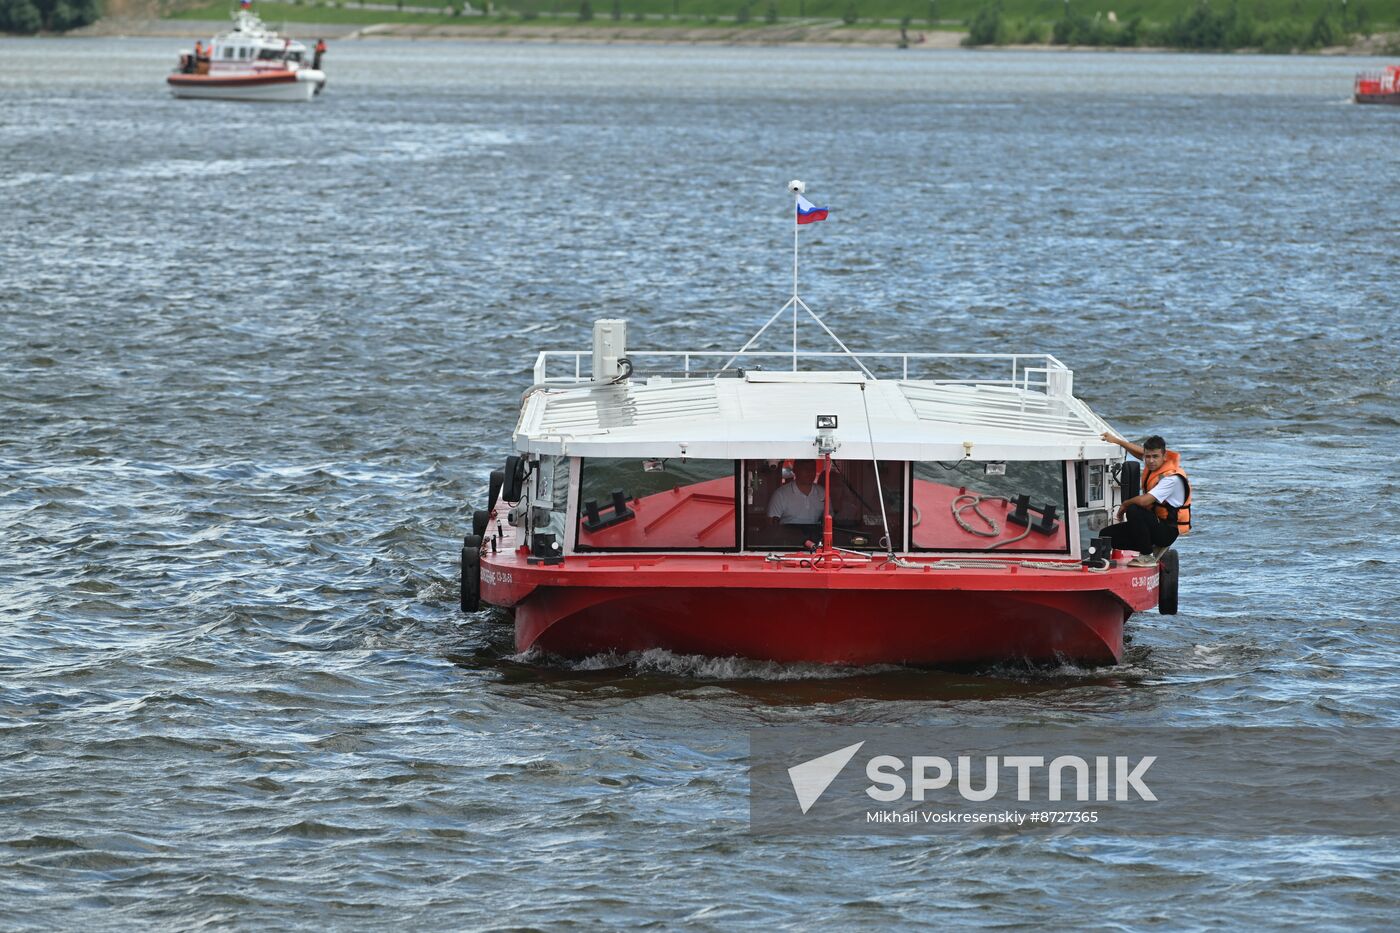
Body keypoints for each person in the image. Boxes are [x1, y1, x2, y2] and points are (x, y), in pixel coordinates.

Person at [1100, 433, 1192, 567]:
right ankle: (1102, 563)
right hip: (1153, 523)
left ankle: (1147, 556)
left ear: (1164, 456)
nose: (1150, 461)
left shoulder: (1171, 479)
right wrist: (1118, 441)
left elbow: (1144, 502)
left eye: (1155, 456)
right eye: (1147, 457)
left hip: (1166, 531)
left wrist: (1125, 504)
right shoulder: (1154, 465)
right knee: (1106, 535)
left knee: (1133, 509)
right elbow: (1139, 452)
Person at [766, 460, 826, 531]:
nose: (809, 472)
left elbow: (829, 518)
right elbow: (771, 524)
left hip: (815, 538)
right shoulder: (781, 494)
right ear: (795, 470)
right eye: (805, 468)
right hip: (787, 538)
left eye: (812, 468)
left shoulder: (822, 492)